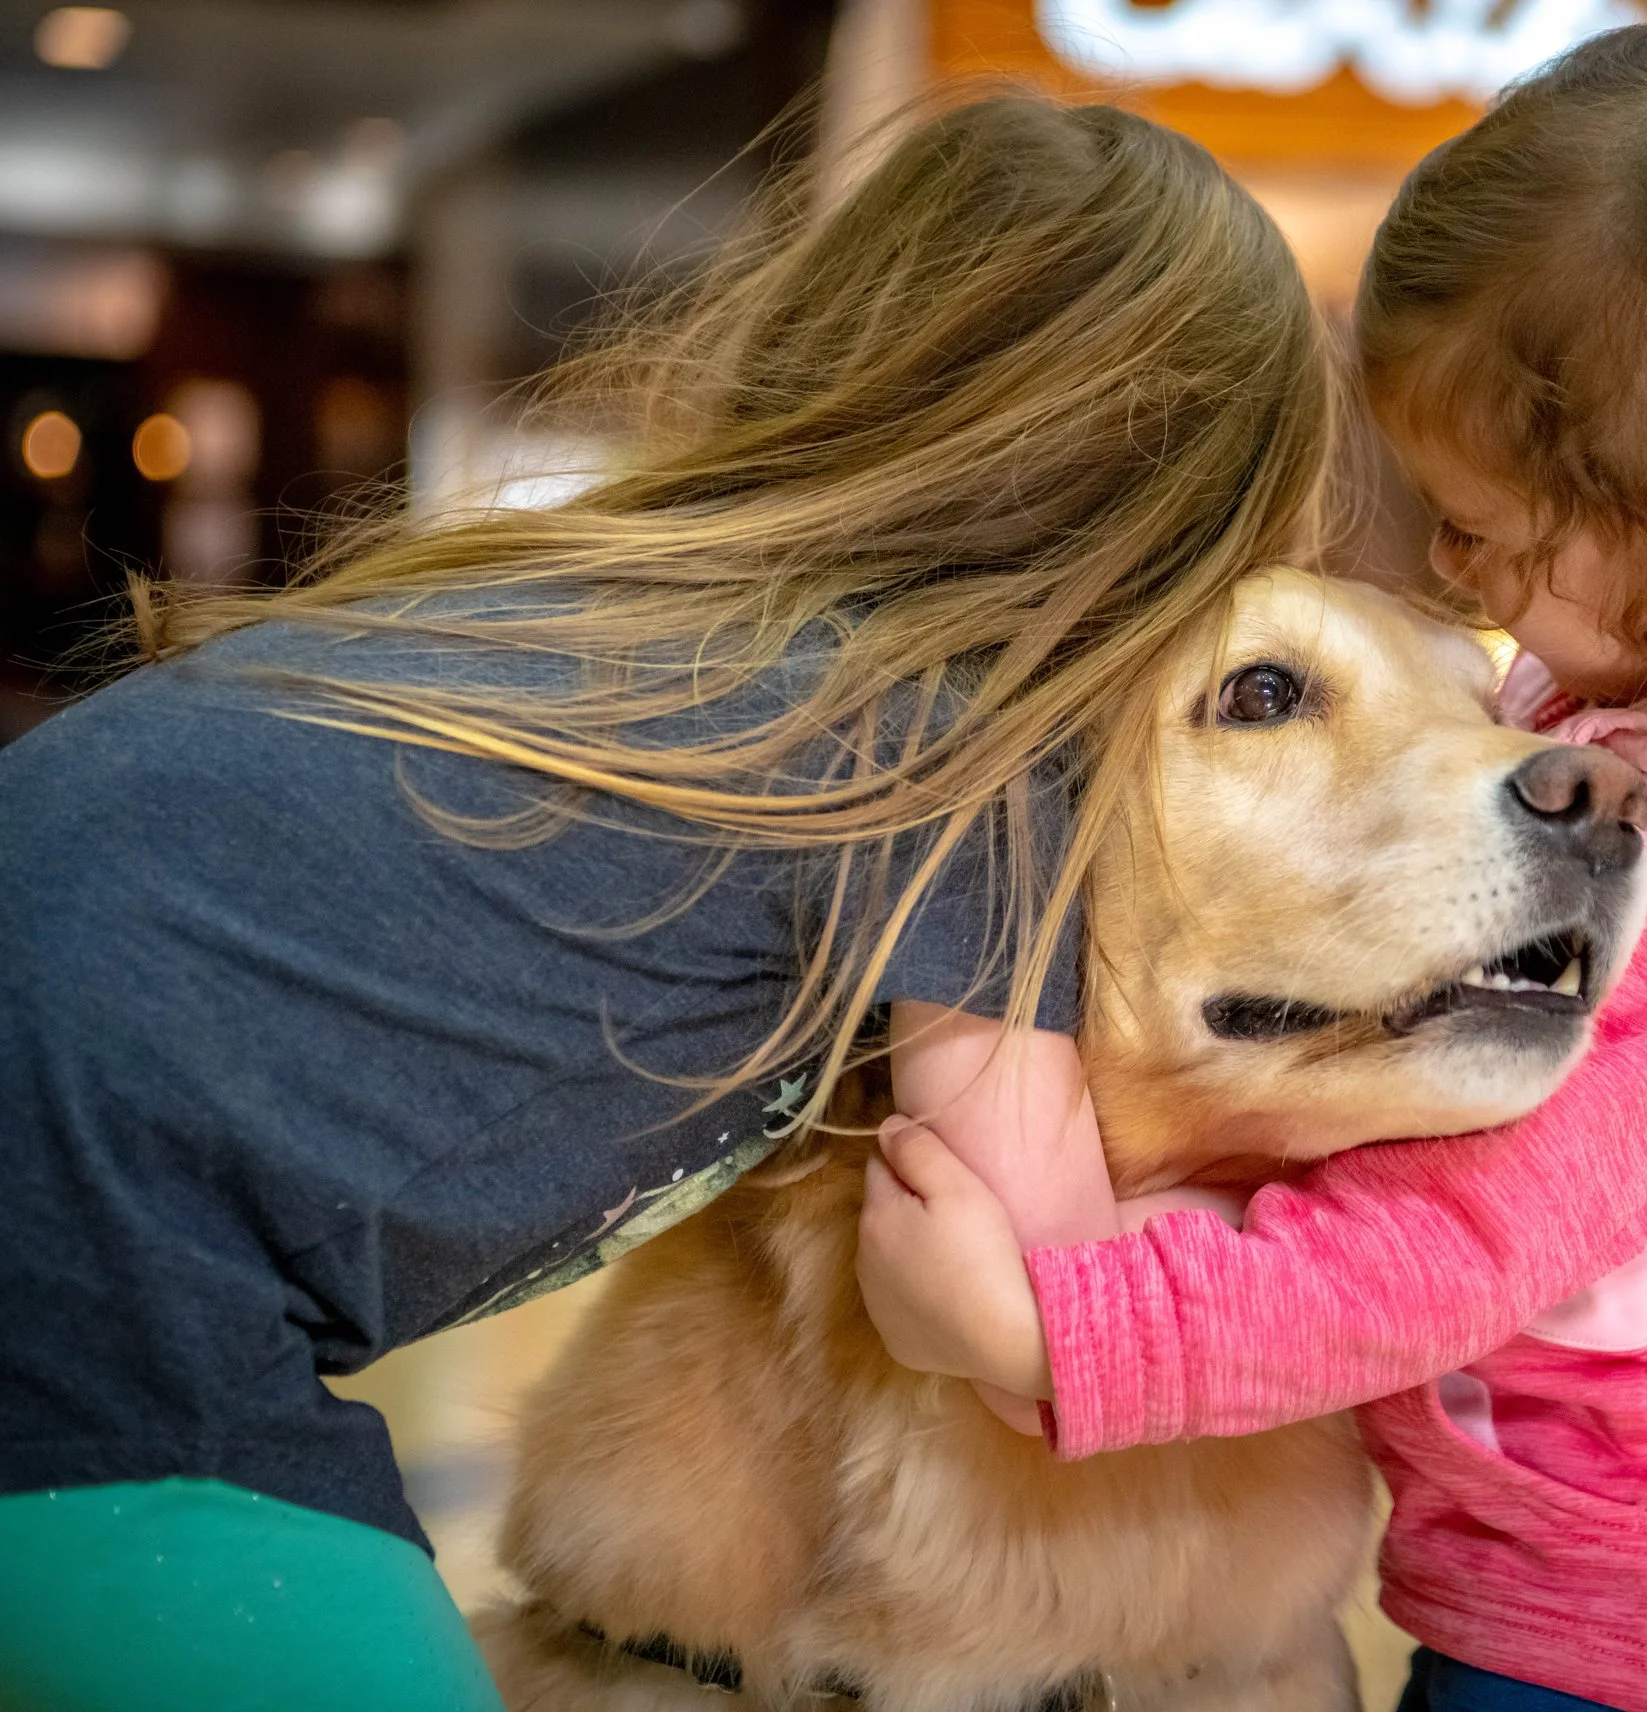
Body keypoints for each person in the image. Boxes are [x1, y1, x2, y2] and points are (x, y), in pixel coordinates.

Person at [0, 96, 1330, 1709]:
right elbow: (1014, 1269)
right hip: (92, 1277)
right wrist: (1349, 1253)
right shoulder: (961, 755)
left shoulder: (616, 612)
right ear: (1194, 519)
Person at [855, 26, 1647, 1712]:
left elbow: (1427, 1255)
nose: (1460, 571)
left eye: (1485, 535)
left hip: (1627, 1634)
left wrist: (1040, 1337)